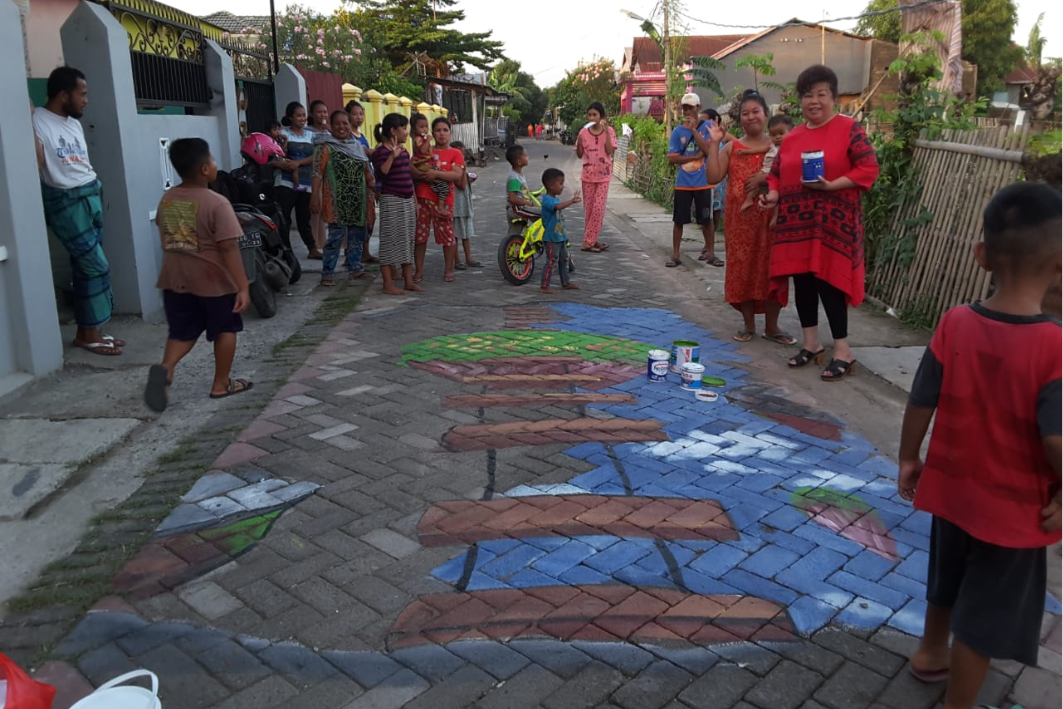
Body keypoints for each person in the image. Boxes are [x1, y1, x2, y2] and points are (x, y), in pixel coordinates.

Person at [897, 182, 1061, 709]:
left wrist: (908, 457)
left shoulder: (956, 321)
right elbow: (1056, 438)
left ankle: (927, 653)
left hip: (950, 489)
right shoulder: (1054, 346)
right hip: (1011, 513)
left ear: (981, 255)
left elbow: (922, 397)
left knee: (946, 579)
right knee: (984, 620)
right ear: (1060, 264)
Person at [762, 64, 880, 381]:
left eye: (821, 94)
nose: (814, 101)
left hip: (833, 227)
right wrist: (772, 195)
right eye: (808, 95)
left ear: (834, 97)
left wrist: (833, 185)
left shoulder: (850, 129)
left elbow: (868, 168)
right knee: (804, 286)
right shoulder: (793, 137)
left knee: (831, 284)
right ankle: (811, 345)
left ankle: (843, 351)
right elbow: (775, 175)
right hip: (796, 228)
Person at [142, 138, 252, 413]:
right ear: (204, 169)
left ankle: (166, 370)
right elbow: (228, 248)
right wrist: (242, 286)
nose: (216, 164)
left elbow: (177, 233)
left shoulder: (168, 198)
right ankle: (221, 383)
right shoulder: (217, 202)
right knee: (226, 327)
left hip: (175, 278)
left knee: (182, 331)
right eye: (213, 160)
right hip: (213, 280)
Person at [33, 66, 125, 356]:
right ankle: (88, 334)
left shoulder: (73, 122)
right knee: (95, 266)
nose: (86, 100)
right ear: (63, 95)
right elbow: (38, 164)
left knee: (85, 269)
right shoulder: (36, 122)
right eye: (81, 94)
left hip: (90, 195)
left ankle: (91, 331)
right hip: (65, 202)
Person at [705, 90, 794, 346]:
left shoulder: (781, 145)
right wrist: (713, 143)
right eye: (746, 113)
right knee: (742, 271)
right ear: (739, 118)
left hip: (773, 222)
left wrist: (767, 178)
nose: (751, 117)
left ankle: (772, 326)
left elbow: (795, 174)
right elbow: (712, 177)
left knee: (773, 271)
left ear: (766, 114)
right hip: (740, 224)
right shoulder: (732, 148)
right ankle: (748, 325)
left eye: (756, 111)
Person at [311, 110, 373, 286]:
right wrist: (315, 197)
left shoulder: (357, 147)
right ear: (331, 126)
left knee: (357, 236)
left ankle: (355, 269)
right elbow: (316, 173)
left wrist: (374, 189)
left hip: (358, 200)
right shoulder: (324, 147)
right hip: (335, 201)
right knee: (335, 237)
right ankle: (327, 272)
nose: (342, 127)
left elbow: (367, 172)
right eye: (337, 123)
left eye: (345, 123)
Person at [370, 113, 421, 296]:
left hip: (407, 200)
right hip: (391, 200)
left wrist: (415, 201)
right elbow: (382, 173)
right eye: (404, 128)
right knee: (390, 240)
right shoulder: (381, 153)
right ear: (393, 130)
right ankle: (387, 283)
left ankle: (408, 281)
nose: (406, 133)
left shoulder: (404, 151)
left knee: (407, 240)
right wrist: (392, 155)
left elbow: (408, 177)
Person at [666, 93, 719, 268]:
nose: (687, 111)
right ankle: (675, 254)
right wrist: (693, 157)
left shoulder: (709, 126)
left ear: (698, 108)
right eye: (685, 108)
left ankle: (710, 252)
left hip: (703, 182)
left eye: (691, 107)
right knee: (679, 219)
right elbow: (672, 157)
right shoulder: (677, 132)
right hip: (683, 183)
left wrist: (694, 131)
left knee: (706, 219)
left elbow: (709, 150)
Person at [411, 117, 466, 283]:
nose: (441, 134)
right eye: (438, 130)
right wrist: (421, 175)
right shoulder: (426, 150)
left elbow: (457, 175)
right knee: (420, 236)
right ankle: (419, 271)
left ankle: (448, 270)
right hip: (423, 198)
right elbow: (412, 165)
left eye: (445, 130)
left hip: (444, 201)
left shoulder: (456, 153)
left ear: (450, 133)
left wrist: (436, 174)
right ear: (432, 133)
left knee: (447, 236)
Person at [276, 102, 321, 259]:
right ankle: (286, 250)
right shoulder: (282, 134)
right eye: (298, 115)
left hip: (306, 182)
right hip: (286, 181)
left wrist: (299, 163)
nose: (302, 118)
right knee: (285, 217)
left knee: (304, 217)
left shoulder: (311, 135)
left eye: (304, 115)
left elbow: (317, 155)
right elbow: (277, 153)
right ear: (290, 117)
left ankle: (312, 248)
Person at [575, 101, 616, 253]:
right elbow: (579, 154)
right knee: (590, 210)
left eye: (595, 115)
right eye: (589, 115)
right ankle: (591, 240)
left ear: (601, 116)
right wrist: (579, 142)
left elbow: (609, 150)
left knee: (598, 209)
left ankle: (588, 241)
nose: (592, 118)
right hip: (587, 176)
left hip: (603, 175)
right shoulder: (583, 133)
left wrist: (606, 133)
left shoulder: (609, 131)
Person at [346, 100, 379, 264]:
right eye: (355, 113)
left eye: (361, 113)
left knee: (369, 219)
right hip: (356, 183)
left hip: (368, 182)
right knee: (356, 220)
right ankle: (352, 255)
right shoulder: (348, 137)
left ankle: (365, 251)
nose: (359, 117)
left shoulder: (362, 135)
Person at [539, 168, 581, 294]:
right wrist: (571, 201)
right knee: (551, 261)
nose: (562, 187)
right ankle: (544, 285)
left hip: (560, 236)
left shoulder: (555, 199)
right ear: (551, 185)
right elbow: (557, 207)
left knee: (564, 259)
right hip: (551, 238)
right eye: (561, 183)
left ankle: (565, 282)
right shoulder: (547, 200)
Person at [741, 114, 793, 214]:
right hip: (765, 168)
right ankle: (749, 200)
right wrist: (747, 152)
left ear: (791, 131)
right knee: (755, 182)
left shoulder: (790, 147)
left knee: (777, 193)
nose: (777, 137)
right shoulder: (771, 145)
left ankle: (775, 216)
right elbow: (761, 149)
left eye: (781, 133)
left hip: (776, 172)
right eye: (773, 135)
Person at [700, 108, 730, 263]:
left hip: (719, 181)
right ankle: (708, 244)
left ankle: (709, 246)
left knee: (716, 213)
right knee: (705, 214)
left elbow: (737, 143)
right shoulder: (701, 135)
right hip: (703, 178)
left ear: (715, 120)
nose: (704, 123)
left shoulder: (723, 136)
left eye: (707, 120)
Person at [410, 113, 451, 218]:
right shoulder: (419, 139)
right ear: (414, 129)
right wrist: (428, 140)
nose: (424, 130)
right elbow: (423, 151)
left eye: (426, 127)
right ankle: (441, 208)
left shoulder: (422, 139)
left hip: (426, 165)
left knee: (439, 184)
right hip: (423, 165)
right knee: (443, 186)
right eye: (421, 127)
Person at [449, 140, 481, 270]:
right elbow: (461, 185)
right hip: (457, 207)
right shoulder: (453, 167)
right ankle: (457, 260)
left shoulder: (459, 166)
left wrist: (468, 177)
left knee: (466, 234)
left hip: (464, 205)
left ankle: (468, 258)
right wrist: (463, 169)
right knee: (455, 235)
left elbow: (464, 183)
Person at [505, 144, 539, 218]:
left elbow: (521, 191)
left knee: (516, 230)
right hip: (517, 209)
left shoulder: (519, 175)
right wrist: (531, 204)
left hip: (520, 208)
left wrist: (534, 193)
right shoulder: (514, 178)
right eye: (526, 156)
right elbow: (513, 199)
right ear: (519, 162)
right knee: (544, 212)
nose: (528, 157)